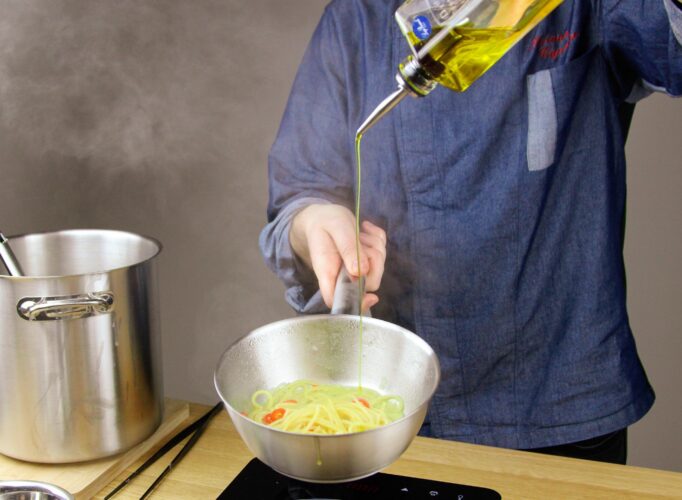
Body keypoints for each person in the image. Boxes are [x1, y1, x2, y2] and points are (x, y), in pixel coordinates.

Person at [259, 0, 682, 464]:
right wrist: (313, 222)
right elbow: (300, 193)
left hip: (561, 400)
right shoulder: (356, 16)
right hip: (395, 408)